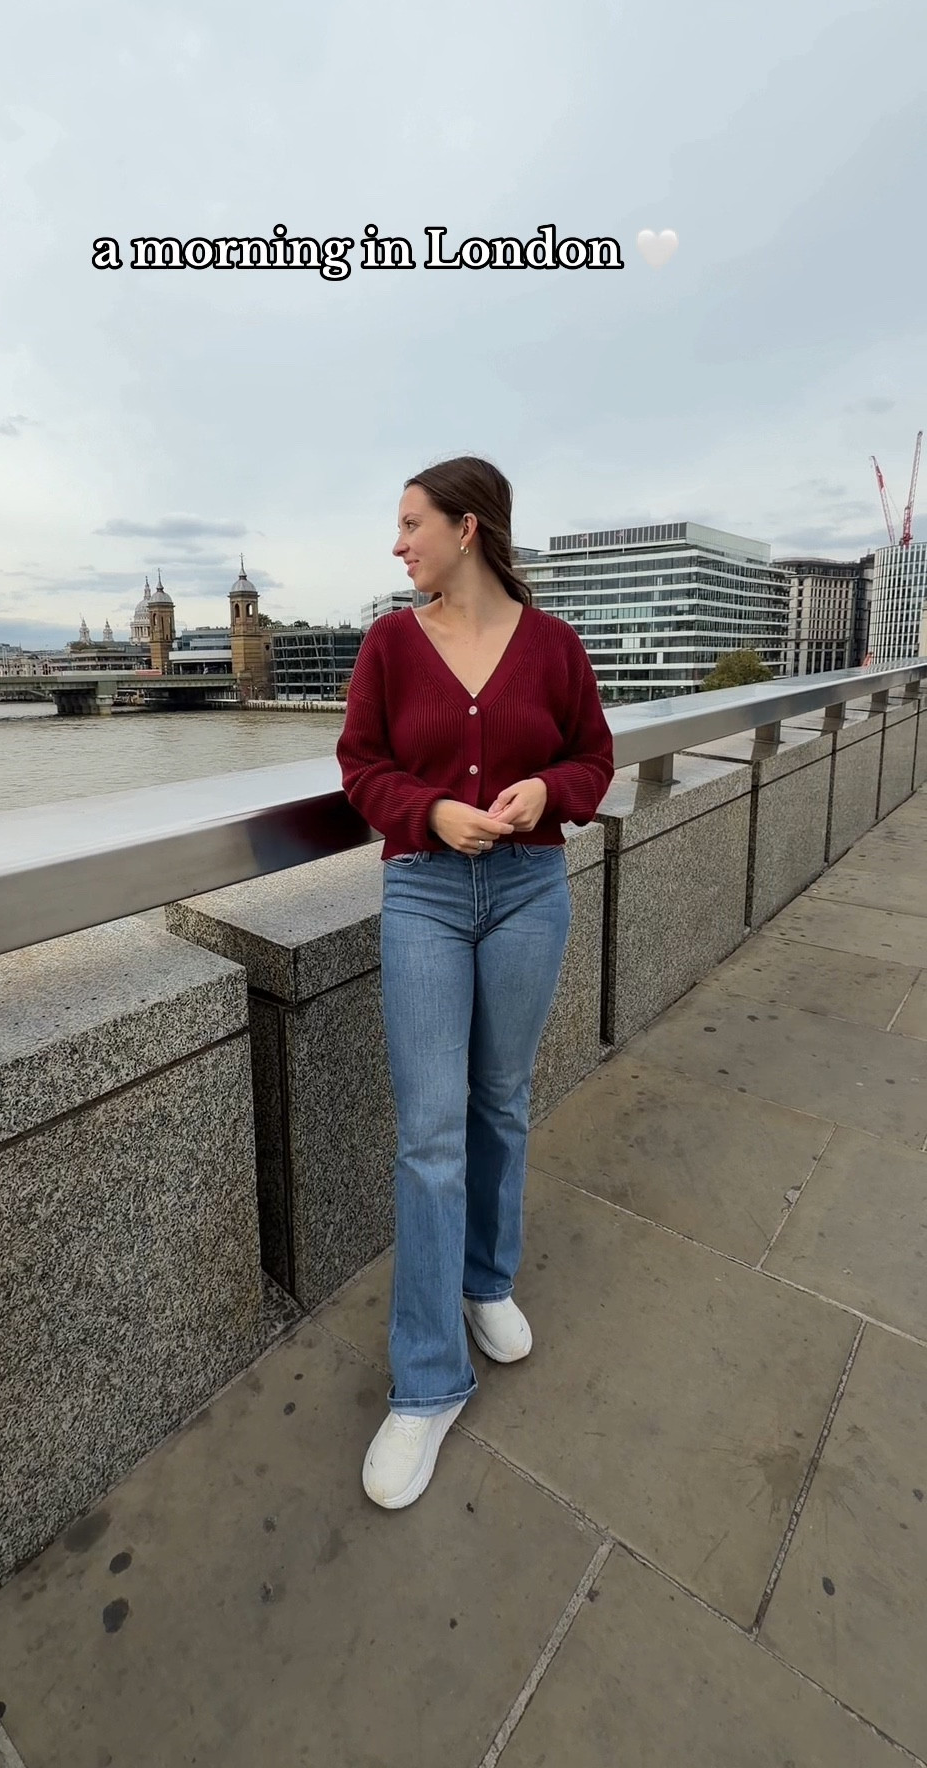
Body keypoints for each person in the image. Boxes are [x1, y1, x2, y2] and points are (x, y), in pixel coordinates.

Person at [336, 455, 615, 1510]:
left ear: (468, 528)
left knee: (501, 1098)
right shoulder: (389, 645)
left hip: (529, 891)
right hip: (424, 893)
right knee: (429, 1133)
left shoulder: (554, 646)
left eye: (412, 523)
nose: (397, 542)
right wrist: (429, 813)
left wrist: (547, 789)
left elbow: (595, 760)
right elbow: (361, 765)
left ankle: (486, 1280)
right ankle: (427, 1382)